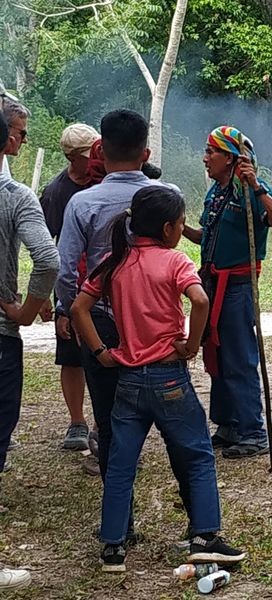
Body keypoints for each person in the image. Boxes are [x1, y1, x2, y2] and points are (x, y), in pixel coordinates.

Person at [70, 186, 245, 572]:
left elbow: (79, 307)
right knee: (197, 455)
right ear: (169, 228)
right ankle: (205, 536)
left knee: (120, 464)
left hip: (128, 378)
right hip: (169, 377)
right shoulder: (175, 261)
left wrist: (101, 352)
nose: (183, 229)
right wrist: (192, 344)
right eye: (182, 223)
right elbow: (199, 300)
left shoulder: (114, 262)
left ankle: (113, 545)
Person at [56, 109, 185, 542]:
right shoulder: (167, 195)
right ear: (146, 152)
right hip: (155, 324)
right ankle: (200, 524)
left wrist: (66, 310)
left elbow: (66, 271)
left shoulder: (83, 201)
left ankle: (119, 524)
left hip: (103, 325)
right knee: (175, 423)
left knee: (111, 421)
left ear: (102, 152)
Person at [182, 126, 272, 459]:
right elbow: (209, 236)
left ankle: (253, 432)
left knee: (240, 358)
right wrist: (180, 227)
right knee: (218, 355)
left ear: (230, 158)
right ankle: (229, 425)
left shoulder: (250, 190)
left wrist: (255, 185)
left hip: (238, 289)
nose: (205, 158)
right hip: (213, 284)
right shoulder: (216, 192)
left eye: (211, 152)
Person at [0, 110, 58, 591]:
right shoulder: (15, 197)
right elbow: (48, 258)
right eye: (19, 131)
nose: (24, 137)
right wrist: (24, 312)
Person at [40, 123, 100, 451]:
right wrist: (49, 296)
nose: (95, 159)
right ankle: (76, 421)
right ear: (71, 157)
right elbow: (45, 245)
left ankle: (101, 422)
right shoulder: (55, 193)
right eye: (88, 154)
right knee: (71, 356)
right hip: (70, 283)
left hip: (104, 282)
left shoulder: (105, 179)